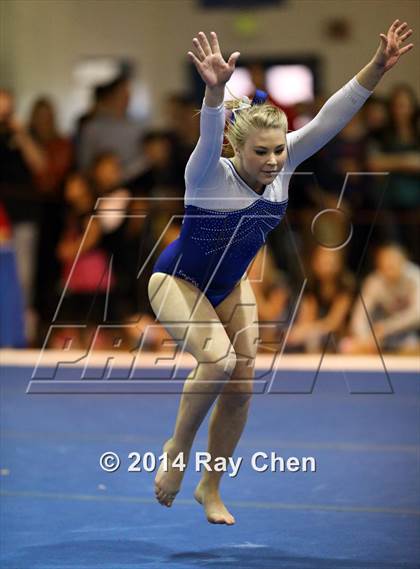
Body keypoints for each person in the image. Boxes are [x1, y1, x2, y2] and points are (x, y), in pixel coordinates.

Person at [148, 23, 414, 525]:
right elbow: (209, 131)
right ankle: (177, 453)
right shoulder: (207, 173)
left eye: (279, 151)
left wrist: (376, 68)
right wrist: (212, 91)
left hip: (229, 287)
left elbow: (334, 114)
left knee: (244, 385)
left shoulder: (286, 164)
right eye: (261, 152)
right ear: (235, 147)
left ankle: (212, 485)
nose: (273, 161)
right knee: (219, 362)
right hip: (177, 281)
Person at [342, 243, 420, 354]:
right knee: (349, 347)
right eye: (385, 265)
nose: (389, 269)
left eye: (393, 264)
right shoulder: (374, 282)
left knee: (412, 348)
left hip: (409, 330)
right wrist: (365, 338)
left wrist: (387, 327)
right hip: (380, 332)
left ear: (404, 261)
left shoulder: (416, 277)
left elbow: (417, 314)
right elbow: (359, 317)